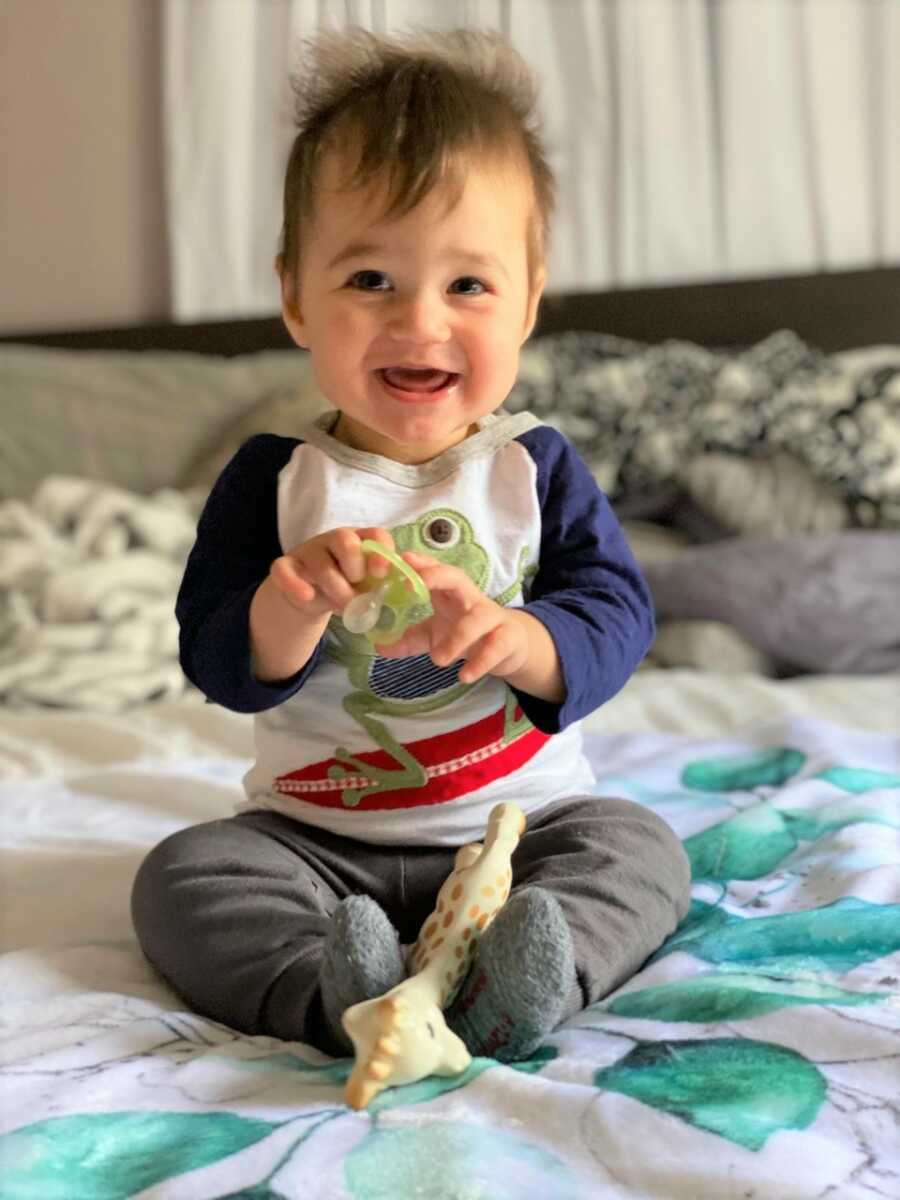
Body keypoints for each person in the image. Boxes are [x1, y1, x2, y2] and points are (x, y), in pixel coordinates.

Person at [131, 27, 691, 1064]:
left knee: (641, 848)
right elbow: (213, 654)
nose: (420, 320)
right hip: (315, 841)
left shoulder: (533, 467)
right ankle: (339, 991)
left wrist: (518, 639)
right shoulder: (276, 479)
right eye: (371, 280)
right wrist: (287, 605)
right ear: (297, 296)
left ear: (528, 300)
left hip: (523, 827)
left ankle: (526, 982)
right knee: (182, 875)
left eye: (468, 286)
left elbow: (617, 613)